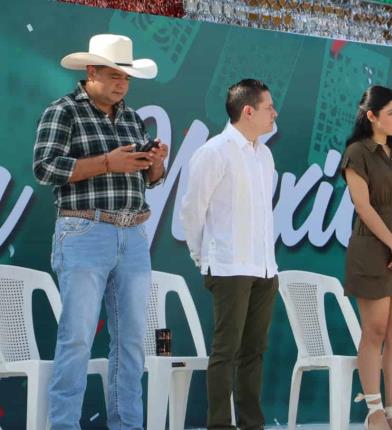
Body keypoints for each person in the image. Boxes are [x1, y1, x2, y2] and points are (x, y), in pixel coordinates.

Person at [33, 34, 167, 428]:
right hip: (83, 230)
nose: (122, 84)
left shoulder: (132, 117)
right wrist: (107, 162)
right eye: (113, 76)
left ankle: (127, 425)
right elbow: (45, 168)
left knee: (131, 343)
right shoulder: (63, 111)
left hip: (133, 233)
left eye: (126, 78)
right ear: (90, 73)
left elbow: (147, 180)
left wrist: (154, 164)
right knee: (76, 339)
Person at [180, 79, 279, 430]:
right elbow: (192, 210)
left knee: (255, 351)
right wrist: (202, 256)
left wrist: (268, 264)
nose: (274, 114)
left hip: (265, 268)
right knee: (226, 351)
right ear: (247, 111)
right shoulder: (214, 151)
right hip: (228, 266)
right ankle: (219, 424)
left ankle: (252, 424)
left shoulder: (264, 155)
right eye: (269, 107)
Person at [341, 85, 392, 430]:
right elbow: (363, 206)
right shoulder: (356, 152)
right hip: (372, 249)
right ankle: (373, 410)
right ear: (371, 115)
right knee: (374, 330)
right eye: (391, 112)